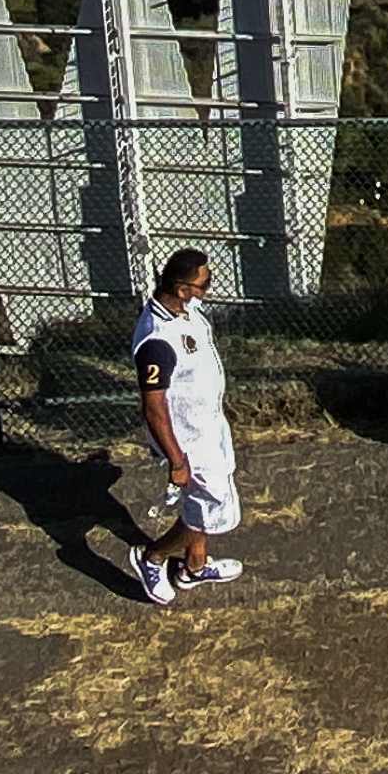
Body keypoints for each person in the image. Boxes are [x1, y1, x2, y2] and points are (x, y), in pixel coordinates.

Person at [126, 248, 241, 606]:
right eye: (203, 283)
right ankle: (154, 557)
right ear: (180, 288)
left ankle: (193, 566)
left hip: (208, 425)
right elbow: (154, 408)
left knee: (204, 500)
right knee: (211, 503)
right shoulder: (157, 340)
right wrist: (177, 461)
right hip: (186, 438)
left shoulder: (187, 312)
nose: (208, 288)